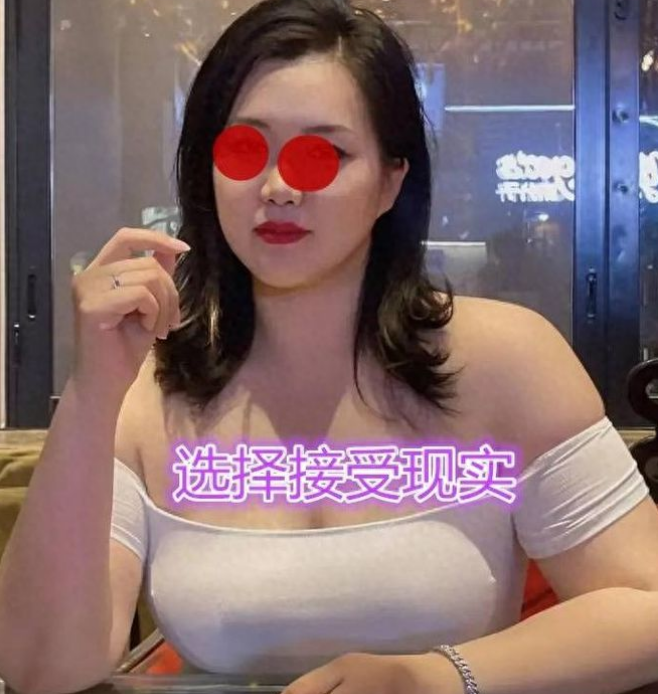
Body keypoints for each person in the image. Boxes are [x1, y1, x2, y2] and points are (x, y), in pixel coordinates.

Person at [2, 1, 658, 694]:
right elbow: (42, 669)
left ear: (390, 179)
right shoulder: (144, 387)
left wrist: (436, 677)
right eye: (245, 150)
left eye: (324, 155)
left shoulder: (506, 360)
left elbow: (647, 604)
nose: (279, 188)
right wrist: (91, 394)